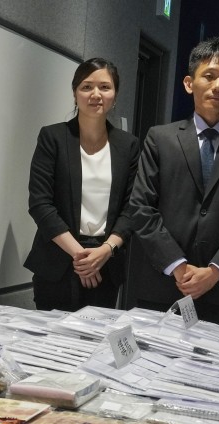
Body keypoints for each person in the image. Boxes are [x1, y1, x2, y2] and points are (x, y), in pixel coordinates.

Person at [128, 37, 219, 330]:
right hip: (163, 285)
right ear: (189, 83)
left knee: (217, 374)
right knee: (152, 373)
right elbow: (141, 207)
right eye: (209, 75)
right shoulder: (160, 138)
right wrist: (178, 266)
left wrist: (215, 272)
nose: (218, 85)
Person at [25, 57, 140, 311]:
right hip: (57, 261)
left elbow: (132, 207)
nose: (95, 94)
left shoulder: (128, 145)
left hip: (105, 265)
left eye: (105, 87)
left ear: (115, 95)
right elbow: (40, 204)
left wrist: (106, 250)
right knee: (51, 346)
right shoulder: (52, 138)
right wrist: (80, 256)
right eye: (86, 87)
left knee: (96, 346)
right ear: (75, 94)